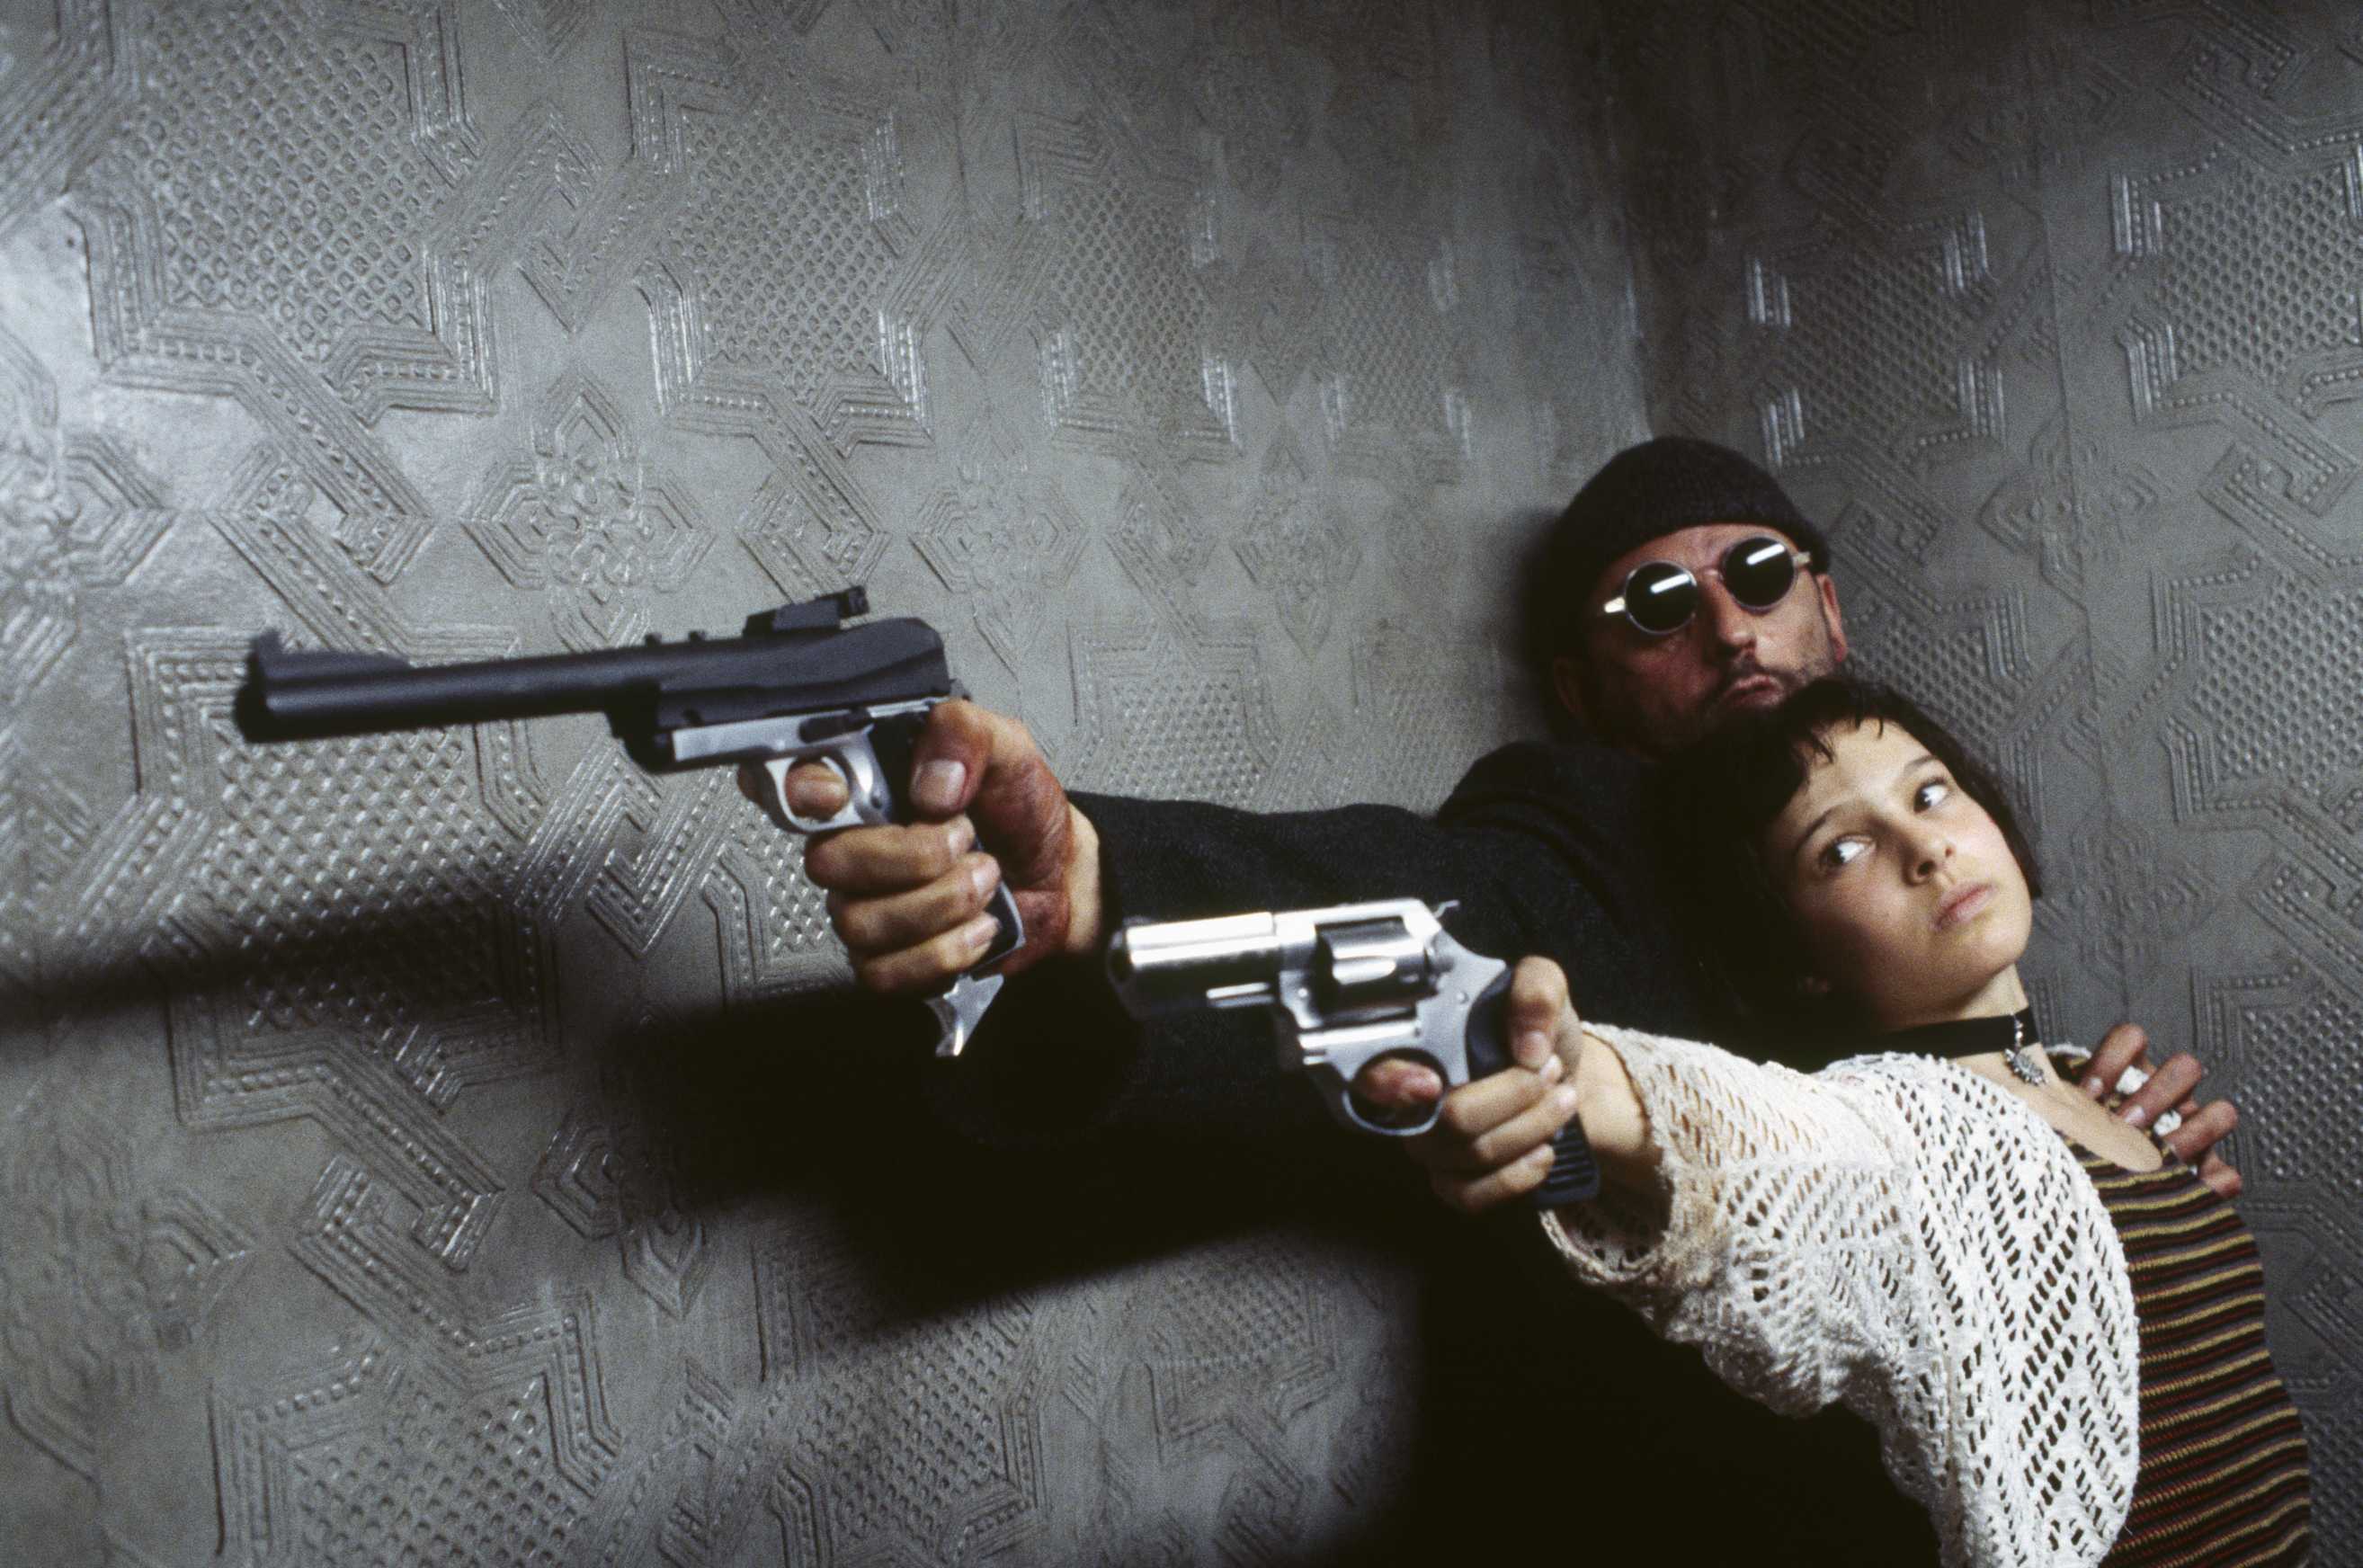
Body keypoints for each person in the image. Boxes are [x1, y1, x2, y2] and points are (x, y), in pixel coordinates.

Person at [772, 437, 2243, 1557]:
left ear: (1828, 604)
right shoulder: (1588, 834)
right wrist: (1086, 887)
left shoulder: (1931, 866)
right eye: (1654, 605)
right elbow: (1405, 900)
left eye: (1758, 572)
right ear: (1582, 686)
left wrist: (2106, 1163)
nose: (1730, 629)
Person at [1424, 677, 2311, 1565]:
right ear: (1797, 953)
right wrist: (1569, 1071)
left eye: (1930, 793)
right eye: (1841, 850)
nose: (1925, 848)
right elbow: (1743, 1140)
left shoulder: (2108, 1085)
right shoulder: (1888, 1133)